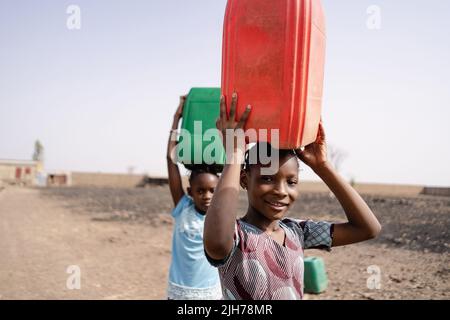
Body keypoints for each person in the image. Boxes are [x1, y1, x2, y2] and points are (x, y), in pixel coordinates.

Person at [204, 93, 382, 300]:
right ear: (244, 179)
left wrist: (323, 167)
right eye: (267, 179)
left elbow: (368, 229)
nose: (281, 190)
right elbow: (216, 244)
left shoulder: (298, 232)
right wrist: (235, 155)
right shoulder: (236, 236)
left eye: (291, 182)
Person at [166, 95, 222, 300]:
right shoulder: (183, 207)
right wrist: (177, 118)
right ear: (190, 192)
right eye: (200, 191)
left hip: (210, 294)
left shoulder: (221, 216)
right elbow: (171, 160)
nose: (207, 196)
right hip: (179, 292)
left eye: (212, 191)